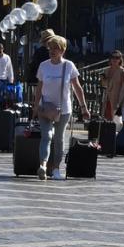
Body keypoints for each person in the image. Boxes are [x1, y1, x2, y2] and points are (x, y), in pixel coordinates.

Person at [31, 33, 88, 181]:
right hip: (45, 108)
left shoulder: (69, 66)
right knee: (46, 136)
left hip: (63, 109)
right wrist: (35, 106)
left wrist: (83, 107)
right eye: (50, 48)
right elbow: (39, 88)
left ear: (62, 50)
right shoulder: (43, 66)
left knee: (59, 138)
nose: (52, 51)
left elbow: (77, 87)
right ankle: (43, 165)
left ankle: (56, 168)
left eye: (55, 48)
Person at [101, 50, 124, 122]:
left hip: (117, 99)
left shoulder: (122, 71)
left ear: (120, 59)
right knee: (107, 120)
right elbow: (103, 85)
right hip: (107, 98)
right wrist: (103, 79)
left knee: (117, 121)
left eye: (117, 57)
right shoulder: (106, 70)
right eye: (112, 57)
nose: (114, 59)